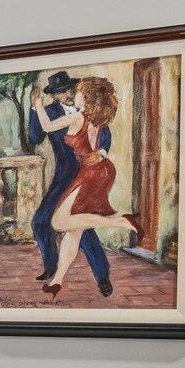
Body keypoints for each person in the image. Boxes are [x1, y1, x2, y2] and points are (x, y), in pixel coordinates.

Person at [42, 75, 141, 298]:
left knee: (58, 222)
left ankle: (119, 220)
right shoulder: (96, 118)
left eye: (78, 92)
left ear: (86, 99)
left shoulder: (79, 117)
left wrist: (36, 106)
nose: (73, 94)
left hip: (91, 173)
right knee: (75, 230)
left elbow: (47, 126)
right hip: (98, 171)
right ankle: (57, 280)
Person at [27, 71, 112, 295]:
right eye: (60, 92)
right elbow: (35, 137)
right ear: (53, 96)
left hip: (86, 175)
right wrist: (35, 108)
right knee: (40, 222)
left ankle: (103, 276)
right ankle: (51, 267)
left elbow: (105, 135)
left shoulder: (88, 109)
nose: (66, 94)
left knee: (82, 228)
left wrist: (102, 152)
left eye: (68, 89)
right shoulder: (52, 112)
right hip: (64, 176)